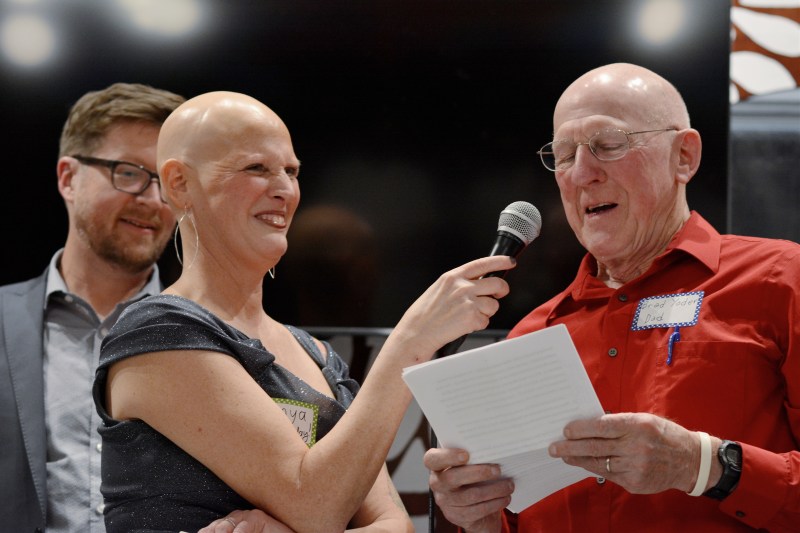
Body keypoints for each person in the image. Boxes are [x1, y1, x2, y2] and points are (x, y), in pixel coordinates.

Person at [91, 90, 515, 533]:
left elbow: (397, 527)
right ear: (179, 184)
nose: (284, 190)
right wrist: (410, 342)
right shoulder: (158, 331)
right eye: (256, 168)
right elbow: (313, 505)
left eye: (291, 171)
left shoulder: (316, 354)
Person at [424, 62, 800, 532]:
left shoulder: (781, 280)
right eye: (564, 155)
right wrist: (480, 521)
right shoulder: (531, 335)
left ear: (683, 156)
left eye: (608, 144)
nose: (582, 174)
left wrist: (703, 465)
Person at [0, 83, 184, 532]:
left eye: (168, 183)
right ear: (68, 178)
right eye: (129, 173)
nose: (153, 200)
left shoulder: (208, 334)